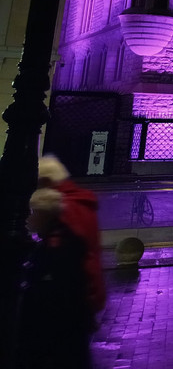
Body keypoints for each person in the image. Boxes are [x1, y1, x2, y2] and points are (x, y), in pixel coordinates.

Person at [16, 188, 94, 369]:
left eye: (33, 212)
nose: (29, 218)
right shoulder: (54, 242)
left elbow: (57, 296)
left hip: (54, 340)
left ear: (45, 214)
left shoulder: (57, 247)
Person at [37, 154, 105, 318]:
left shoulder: (62, 206)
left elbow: (68, 252)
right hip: (87, 287)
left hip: (76, 291)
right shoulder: (79, 200)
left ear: (46, 180)